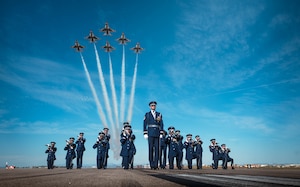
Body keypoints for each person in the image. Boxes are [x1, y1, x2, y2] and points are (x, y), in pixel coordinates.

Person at [143, 101, 164, 170]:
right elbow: (144, 124)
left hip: (157, 133)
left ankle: (156, 164)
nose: (153, 107)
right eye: (152, 105)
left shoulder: (159, 114)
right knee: (151, 149)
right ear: (150, 107)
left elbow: (161, 124)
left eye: (154, 105)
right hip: (150, 133)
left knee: (157, 149)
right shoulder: (147, 114)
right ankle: (152, 164)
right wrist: (145, 133)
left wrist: (161, 133)